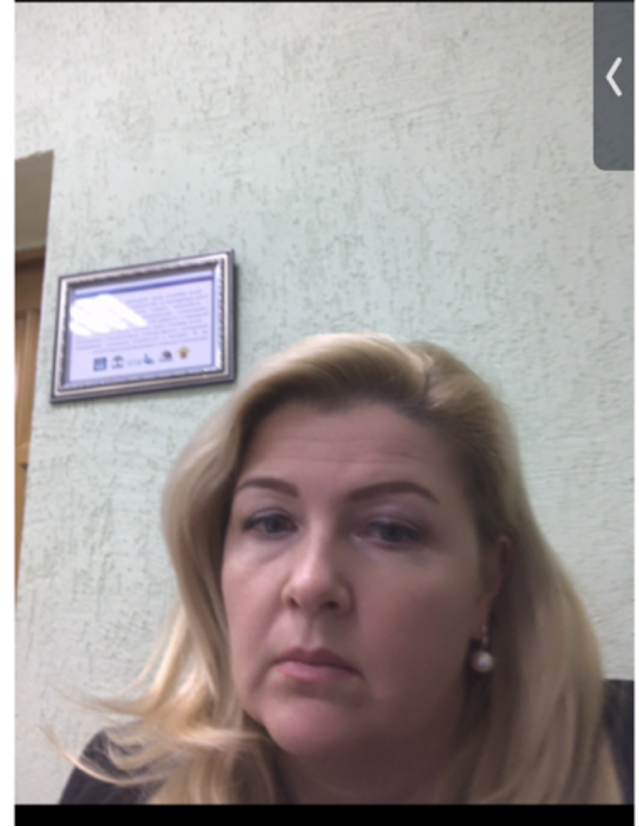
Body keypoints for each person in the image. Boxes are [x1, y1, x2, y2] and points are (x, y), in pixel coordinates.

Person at [59, 333, 631, 804]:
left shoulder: (619, 755)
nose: (310, 584)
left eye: (390, 530)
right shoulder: (121, 781)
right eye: (270, 522)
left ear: (488, 579)